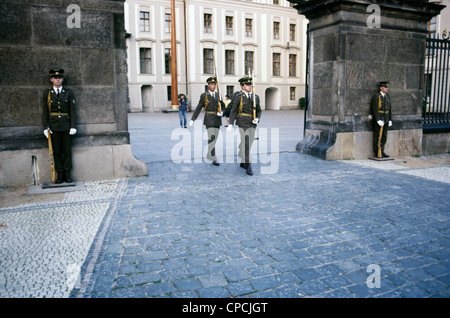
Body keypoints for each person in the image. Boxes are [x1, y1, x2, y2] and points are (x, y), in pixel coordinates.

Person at [42, 68, 77, 183]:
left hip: (66, 126)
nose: (58, 80)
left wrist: (73, 126)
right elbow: (45, 111)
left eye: (60, 78)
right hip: (54, 127)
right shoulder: (47, 93)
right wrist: (45, 127)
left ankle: (67, 174)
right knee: (56, 151)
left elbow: (73, 110)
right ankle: (60, 174)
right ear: (51, 79)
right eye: (56, 78)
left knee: (67, 151)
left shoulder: (68, 92)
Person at [227, 76, 262, 175]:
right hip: (242, 122)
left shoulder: (256, 97)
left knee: (249, 143)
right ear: (242, 86)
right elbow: (233, 111)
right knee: (246, 143)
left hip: (252, 123)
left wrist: (257, 118)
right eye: (247, 85)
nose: (249, 86)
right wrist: (230, 124)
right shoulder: (238, 97)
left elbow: (259, 111)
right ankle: (249, 165)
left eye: (250, 84)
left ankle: (243, 161)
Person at [189, 77, 225, 166]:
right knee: (212, 138)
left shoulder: (218, 95)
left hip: (217, 119)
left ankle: (209, 153)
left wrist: (222, 112)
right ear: (208, 85)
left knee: (215, 138)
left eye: (214, 84)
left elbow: (223, 106)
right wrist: (193, 119)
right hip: (209, 119)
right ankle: (213, 157)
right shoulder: (204, 95)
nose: (213, 86)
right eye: (211, 84)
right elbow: (198, 107)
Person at [371, 81, 392, 158]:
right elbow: (374, 109)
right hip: (379, 120)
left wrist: (390, 119)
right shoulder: (376, 96)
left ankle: (382, 150)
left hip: (386, 119)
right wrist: (378, 119)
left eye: (387, 87)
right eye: (385, 87)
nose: (387, 89)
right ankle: (377, 151)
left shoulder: (387, 97)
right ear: (381, 87)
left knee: (384, 136)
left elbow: (390, 109)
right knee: (377, 136)